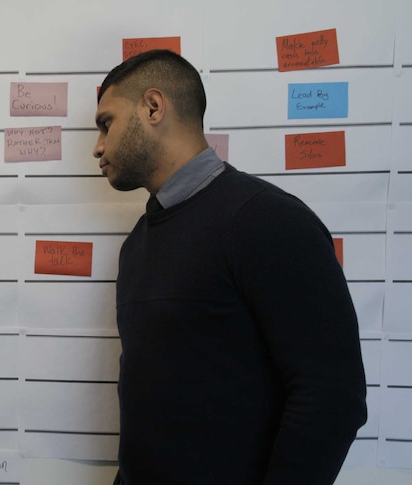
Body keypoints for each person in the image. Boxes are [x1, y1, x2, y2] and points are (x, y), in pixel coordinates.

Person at [93, 50, 367, 484]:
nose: (98, 147)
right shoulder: (137, 244)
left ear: (152, 106)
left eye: (106, 123)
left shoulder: (267, 220)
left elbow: (332, 397)